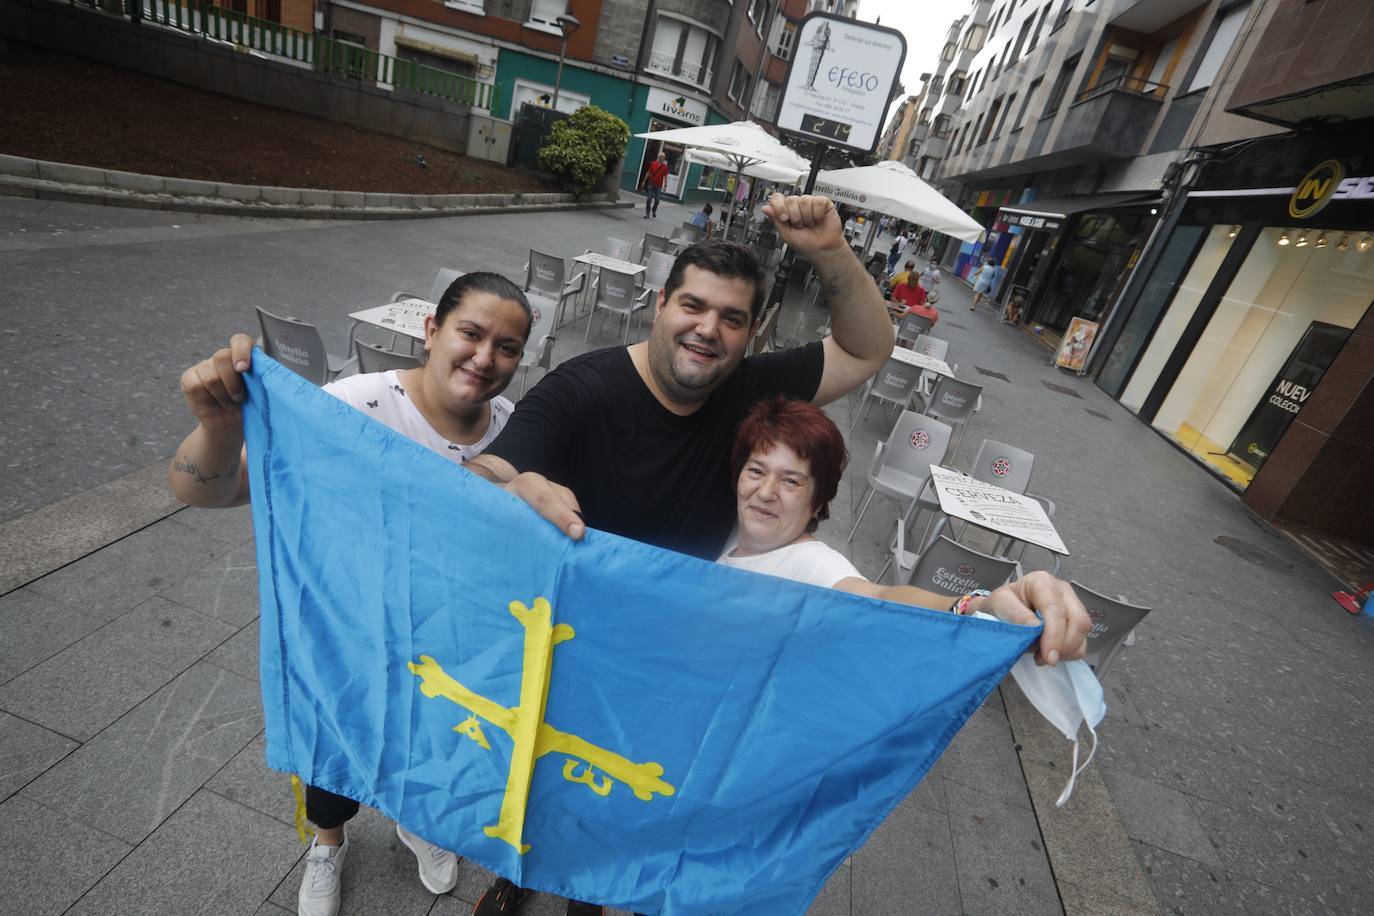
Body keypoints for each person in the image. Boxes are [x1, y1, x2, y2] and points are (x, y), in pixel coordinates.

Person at [462, 192, 1090, 913]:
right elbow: (494, 468)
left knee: (619, 799)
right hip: (574, 642)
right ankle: (512, 877)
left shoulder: (749, 386)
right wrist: (507, 487)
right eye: (693, 306)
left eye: (732, 318)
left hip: (679, 667)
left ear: (754, 331)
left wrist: (830, 251)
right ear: (660, 302)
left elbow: (865, 351)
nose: (708, 330)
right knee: (541, 776)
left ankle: (589, 896)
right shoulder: (583, 386)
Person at [167, 273, 535, 916]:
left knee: (436, 746)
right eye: (470, 334)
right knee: (334, 749)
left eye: (507, 347)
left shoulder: (516, 425)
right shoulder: (355, 405)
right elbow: (209, 490)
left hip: (447, 645)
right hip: (349, 634)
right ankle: (328, 844)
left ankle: (418, 820)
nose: (485, 358)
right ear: (431, 330)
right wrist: (220, 429)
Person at [720, 396, 1086, 635]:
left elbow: (875, 596)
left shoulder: (811, 564)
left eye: (791, 481)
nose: (766, 492)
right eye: (756, 471)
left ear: (817, 502)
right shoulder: (723, 535)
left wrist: (975, 605)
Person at [641, 151, 669, 219]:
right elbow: (648, 172)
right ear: (658, 157)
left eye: (663, 158)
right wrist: (644, 181)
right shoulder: (653, 163)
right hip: (651, 184)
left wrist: (665, 186)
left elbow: (665, 177)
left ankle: (653, 209)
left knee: (657, 200)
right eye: (661, 157)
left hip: (658, 186)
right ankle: (647, 213)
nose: (662, 159)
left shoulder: (665, 167)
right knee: (649, 198)